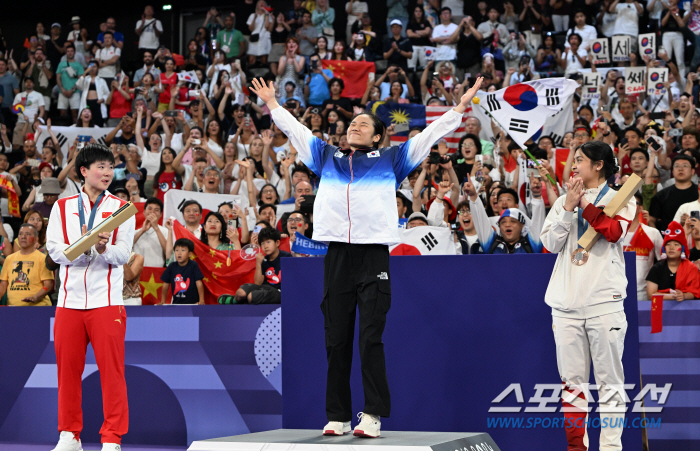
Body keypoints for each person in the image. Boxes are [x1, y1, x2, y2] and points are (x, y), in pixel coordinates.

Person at [250, 74, 483, 438]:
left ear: (377, 136)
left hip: (373, 255)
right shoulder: (327, 157)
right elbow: (297, 132)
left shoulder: (391, 159)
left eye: (363, 124)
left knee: (370, 337)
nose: (354, 126)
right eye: (352, 123)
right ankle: (338, 415)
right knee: (336, 338)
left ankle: (372, 414)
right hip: (337, 256)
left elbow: (427, 137)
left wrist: (457, 109)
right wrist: (273, 104)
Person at [540, 141, 635, 451]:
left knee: (610, 385)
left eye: (579, 159)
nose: (574, 165)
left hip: (604, 304)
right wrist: (568, 206)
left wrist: (583, 205)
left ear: (599, 165)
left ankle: (610, 448)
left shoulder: (622, 198)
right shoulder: (563, 202)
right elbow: (551, 244)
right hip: (564, 306)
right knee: (572, 388)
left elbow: (614, 233)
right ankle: (576, 448)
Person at [46, 143, 135, 451]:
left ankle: (112, 438)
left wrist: (102, 249)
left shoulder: (122, 209)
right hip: (68, 302)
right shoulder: (63, 206)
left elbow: (123, 254)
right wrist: (84, 247)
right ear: (83, 171)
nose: (107, 172)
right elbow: (55, 250)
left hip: (106, 301)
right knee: (67, 372)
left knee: (112, 373)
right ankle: (69, 435)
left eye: (110, 167)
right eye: (100, 166)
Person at [0, 223, 53, 306]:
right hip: (13, 309)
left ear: (36, 239)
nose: (23, 236)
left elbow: (48, 285)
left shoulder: (42, 258)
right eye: (20, 234)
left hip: (38, 308)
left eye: (27, 234)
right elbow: (3, 285)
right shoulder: (9, 259)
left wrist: (35, 297)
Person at [623, 192, 663, 301]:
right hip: (616, 293)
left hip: (643, 295)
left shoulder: (653, 233)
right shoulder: (613, 234)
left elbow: (664, 262)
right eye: (626, 202)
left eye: (634, 203)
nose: (630, 205)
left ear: (641, 208)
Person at [235, 227, 291, 304]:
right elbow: (258, 283)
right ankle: (235, 300)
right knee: (240, 293)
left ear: (277, 243)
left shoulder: (286, 257)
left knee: (252, 296)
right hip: (265, 288)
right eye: (262, 243)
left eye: (268, 242)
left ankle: (242, 301)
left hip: (280, 291)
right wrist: (258, 263)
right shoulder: (263, 259)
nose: (265, 246)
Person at [646, 220, 700, 300]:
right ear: (664, 248)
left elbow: (695, 292)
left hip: (686, 310)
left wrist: (684, 296)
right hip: (661, 309)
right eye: (668, 244)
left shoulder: (691, 268)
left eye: (676, 244)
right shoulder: (656, 268)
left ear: (682, 248)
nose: (671, 248)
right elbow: (651, 294)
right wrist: (674, 296)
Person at [160, 238, 204, 305]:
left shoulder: (193, 265)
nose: (179, 253)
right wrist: (163, 302)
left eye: (183, 250)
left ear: (190, 254)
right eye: (177, 250)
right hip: (176, 304)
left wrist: (201, 300)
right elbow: (165, 284)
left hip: (193, 304)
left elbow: (199, 283)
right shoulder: (172, 266)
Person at [133, 198, 168, 267]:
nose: (152, 212)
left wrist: (156, 228)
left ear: (160, 214)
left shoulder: (165, 231)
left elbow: (168, 253)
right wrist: (142, 230)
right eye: (150, 208)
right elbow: (127, 247)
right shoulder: (135, 232)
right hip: (136, 271)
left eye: (156, 210)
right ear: (144, 212)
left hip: (157, 271)